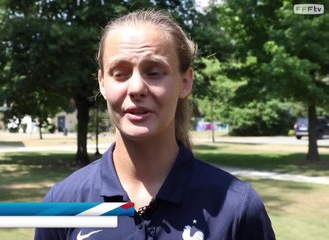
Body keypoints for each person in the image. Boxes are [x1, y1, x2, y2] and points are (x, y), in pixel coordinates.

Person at [35, 9, 275, 240]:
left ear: (185, 82)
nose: (137, 88)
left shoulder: (237, 208)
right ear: (102, 83)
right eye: (120, 73)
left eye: (154, 72)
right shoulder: (62, 203)